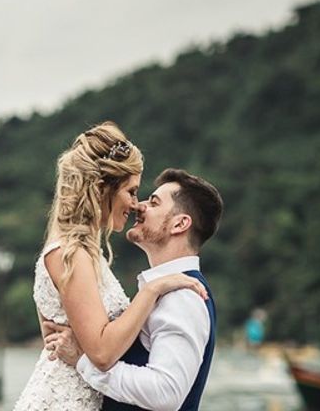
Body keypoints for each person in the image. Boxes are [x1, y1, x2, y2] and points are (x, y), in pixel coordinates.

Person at [13, 124, 208, 411]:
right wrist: (153, 289)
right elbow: (102, 352)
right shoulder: (72, 253)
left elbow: (53, 333)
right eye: (131, 191)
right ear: (103, 188)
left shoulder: (74, 250)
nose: (135, 203)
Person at [45, 169, 223, 411]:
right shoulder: (167, 290)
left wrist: (83, 361)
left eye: (153, 202)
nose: (139, 206)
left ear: (179, 224)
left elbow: (165, 393)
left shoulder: (183, 296)